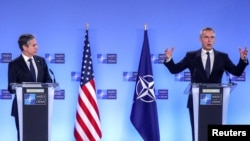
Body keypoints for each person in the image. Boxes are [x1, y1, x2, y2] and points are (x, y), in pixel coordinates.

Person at [163, 27, 248, 141]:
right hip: (196, 102)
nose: (209, 40)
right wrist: (169, 59)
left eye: (212, 37)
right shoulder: (191, 56)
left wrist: (243, 60)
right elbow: (175, 69)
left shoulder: (223, 57)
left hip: (216, 102)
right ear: (200, 39)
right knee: (198, 134)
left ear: (215, 40)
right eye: (206, 37)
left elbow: (236, 72)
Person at [7, 33, 52, 141]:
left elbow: (48, 80)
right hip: (22, 107)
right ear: (24, 47)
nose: (37, 47)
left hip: (41, 105)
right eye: (34, 45)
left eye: (36, 45)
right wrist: (21, 88)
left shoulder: (41, 61)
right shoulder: (14, 64)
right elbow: (11, 87)